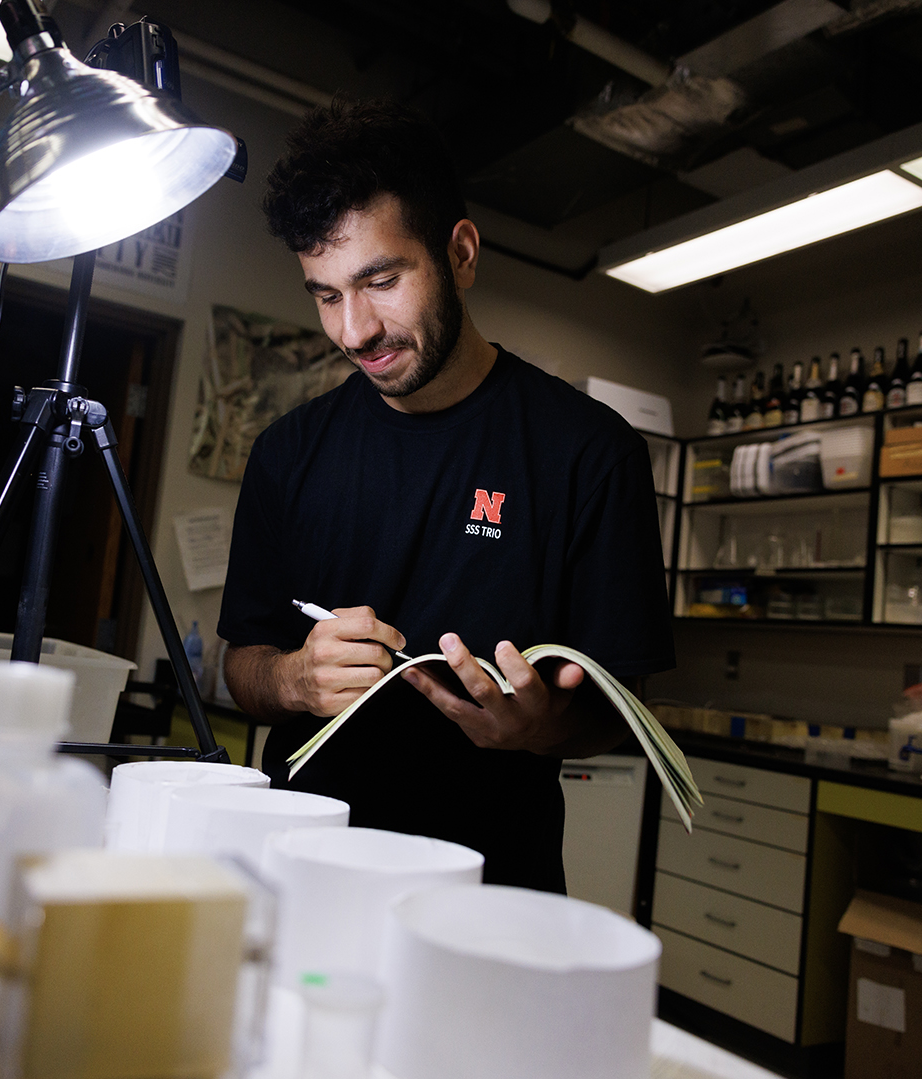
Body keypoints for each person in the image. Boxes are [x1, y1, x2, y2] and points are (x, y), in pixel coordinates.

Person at [217, 99, 673, 892]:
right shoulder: (287, 453)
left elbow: (617, 709)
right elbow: (242, 666)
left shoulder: (588, 452)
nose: (354, 330)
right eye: (325, 295)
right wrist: (293, 677)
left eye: (380, 280)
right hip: (299, 877)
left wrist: (541, 725)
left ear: (459, 252)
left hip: (487, 887)